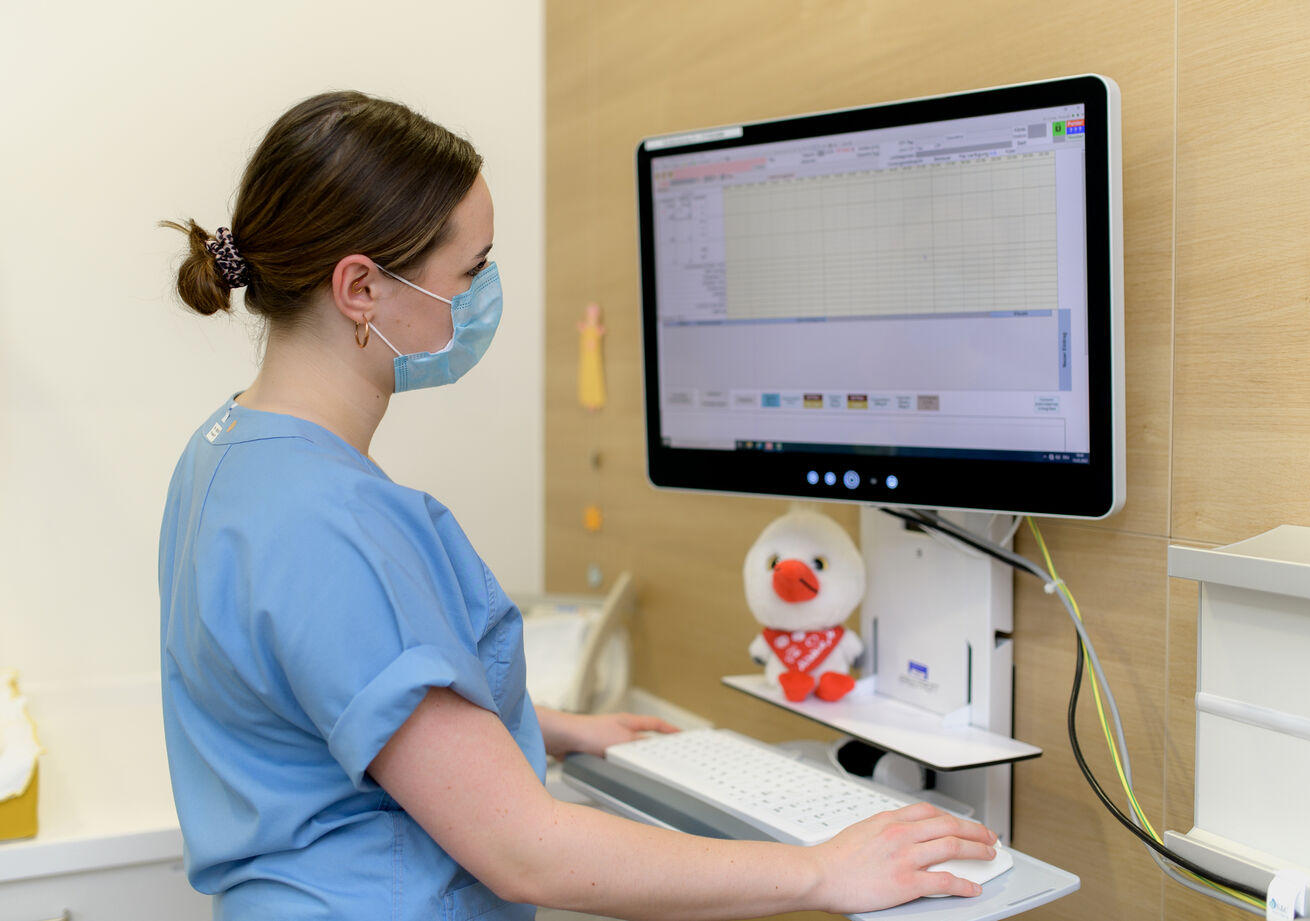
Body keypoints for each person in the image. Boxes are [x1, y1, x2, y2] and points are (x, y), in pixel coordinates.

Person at [158, 90, 999, 921]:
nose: (483, 295)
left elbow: (322, 686)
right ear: (360, 289)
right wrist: (821, 870)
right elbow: (527, 851)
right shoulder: (333, 523)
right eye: (471, 270)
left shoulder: (229, 450)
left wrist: (550, 725)